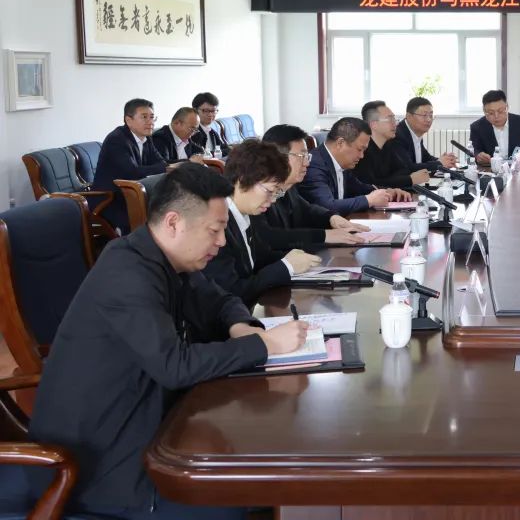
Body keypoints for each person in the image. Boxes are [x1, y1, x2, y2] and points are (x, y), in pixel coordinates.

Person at [28, 163, 309, 519]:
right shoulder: (128, 274)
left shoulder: (167, 258)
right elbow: (174, 366)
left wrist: (241, 325)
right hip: (98, 467)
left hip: (152, 423)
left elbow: (222, 300)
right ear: (174, 223)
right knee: (244, 492)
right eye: (215, 230)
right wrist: (266, 345)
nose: (222, 242)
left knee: (264, 466)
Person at [201, 140, 322, 306]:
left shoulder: (248, 214)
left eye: (277, 193)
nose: (272, 200)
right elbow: (232, 292)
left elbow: (261, 258)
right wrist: (286, 266)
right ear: (242, 180)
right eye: (270, 191)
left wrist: (298, 258)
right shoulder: (216, 227)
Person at [253, 124, 370, 253]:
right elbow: (269, 237)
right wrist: (324, 235)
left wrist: (331, 218)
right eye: (301, 156)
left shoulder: (289, 187)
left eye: (307, 156)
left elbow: (307, 209)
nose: (307, 163)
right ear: (278, 157)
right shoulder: (257, 193)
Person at [91, 98, 173, 234]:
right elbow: (131, 172)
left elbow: (161, 162)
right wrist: (166, 168)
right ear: (129, 120)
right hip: (111, 199)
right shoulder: (116, 139)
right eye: (144, 117)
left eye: (152, 117)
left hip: (134, 194)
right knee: (149, 221)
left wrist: (184, 162)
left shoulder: (146, 138)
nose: (150, 122)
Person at [298, 116, 409, 215]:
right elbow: (327, 206)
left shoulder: (342, 163)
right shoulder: (314, 165)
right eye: (359, 149)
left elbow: (359, 188)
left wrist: (387, 192)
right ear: (340, 143)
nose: (362, 156)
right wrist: (369, 200)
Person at [354, 100, 431, 189]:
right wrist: (409, 179)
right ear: (373, 124)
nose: (395, 123)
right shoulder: (362, 151)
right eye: (390, 119)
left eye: (394, 119)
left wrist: (402, 178)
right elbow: (370, 184)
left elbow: (404, 170)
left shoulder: (389, 144)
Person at [468, 89, 520, 163]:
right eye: (491, 113)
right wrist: (478, 155)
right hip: (490, 169)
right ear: (484, 111)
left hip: (518, 168)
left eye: (500, 111)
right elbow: (474, 150)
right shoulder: (477, 127)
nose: (496, 116)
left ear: (507, 107)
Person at [394, 96, 458, 172]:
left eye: (431, 115)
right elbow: (408, 168)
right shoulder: (398, 136)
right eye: (424, 115)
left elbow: (425, 158)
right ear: (409, 116)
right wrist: (439, 163)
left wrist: (446, 160)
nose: (429, 120)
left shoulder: (415, 133)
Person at [190, 91, 230, 157]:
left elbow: (225, 149)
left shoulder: (212, 132)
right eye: (206, 111)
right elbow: (199, 155)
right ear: (195, 110)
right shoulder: (192, 132)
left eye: (213, 111)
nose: (210, 114)